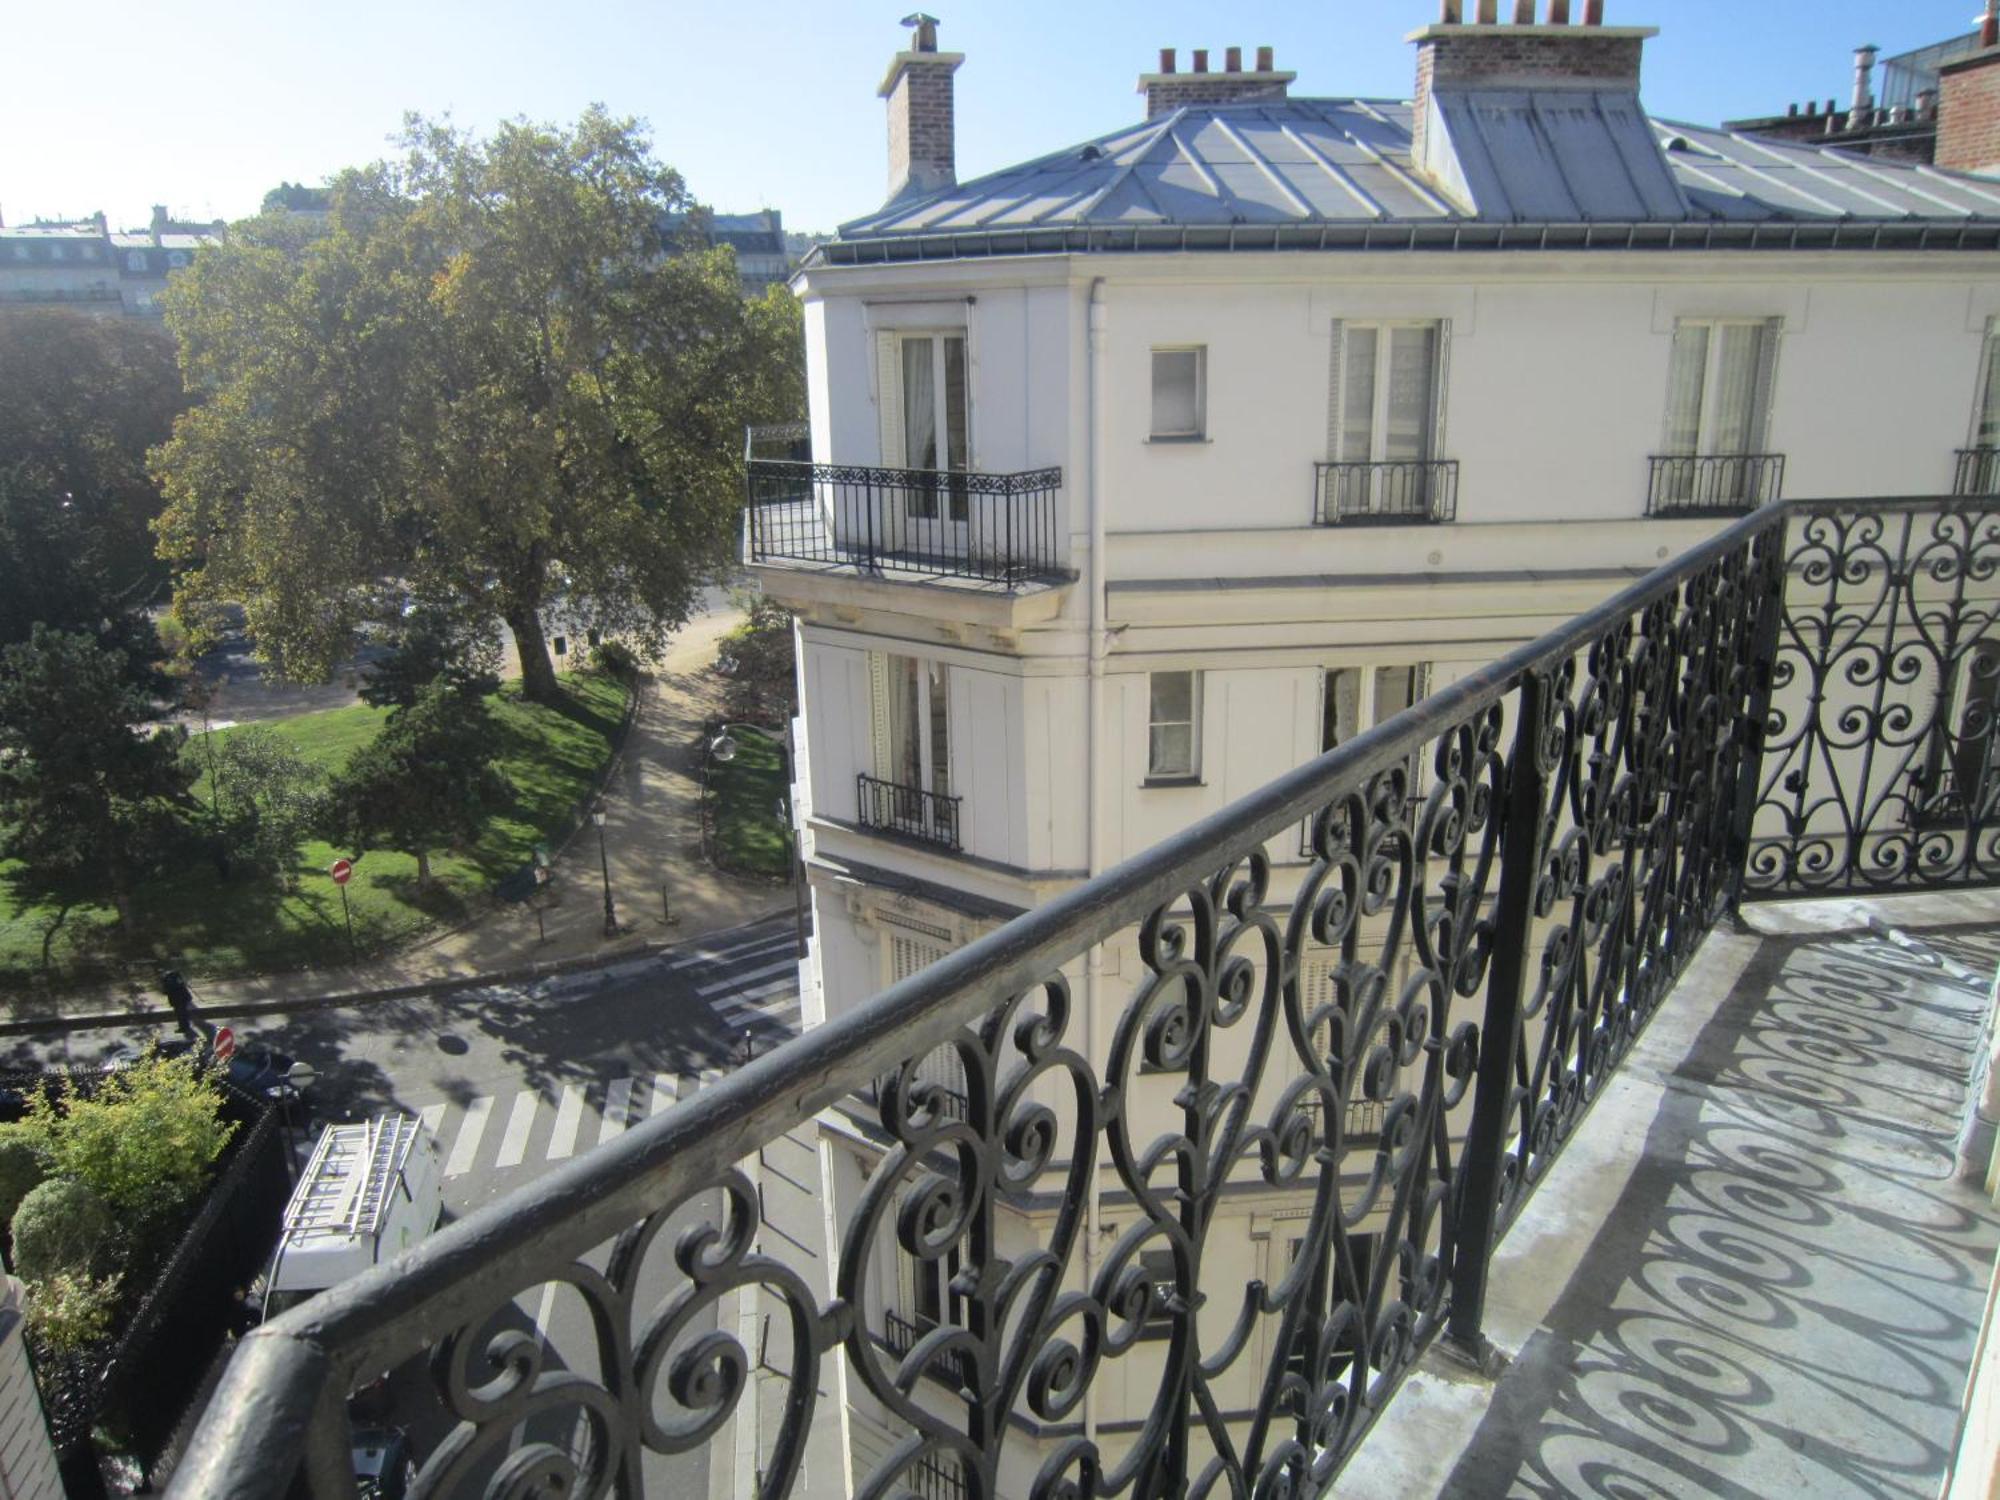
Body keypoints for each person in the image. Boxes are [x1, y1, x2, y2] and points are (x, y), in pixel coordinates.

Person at [159, 968, 198, 1041]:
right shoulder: (175, 975)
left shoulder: (166, 978)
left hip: (177, 999)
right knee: (182, 1013)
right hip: (182, 997)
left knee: (180, 1013)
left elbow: (166, 991)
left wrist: (165, 990)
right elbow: (182, 984)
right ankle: (185, 1027)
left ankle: (184, 1027)